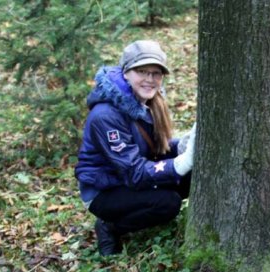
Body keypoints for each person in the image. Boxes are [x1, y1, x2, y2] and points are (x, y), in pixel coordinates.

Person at [75, 40, 196, 256]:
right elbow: (134, 172)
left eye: (156, 73)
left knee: (191, 175)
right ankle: (110, 227)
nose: (150, 79)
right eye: (142, 71)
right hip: (105, 190)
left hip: (129, 177)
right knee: (168, 203)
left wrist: (181, 146)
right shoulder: (105, 116)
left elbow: (151, 147)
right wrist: (180, 163)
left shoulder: (147, 100)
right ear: (126, 73)